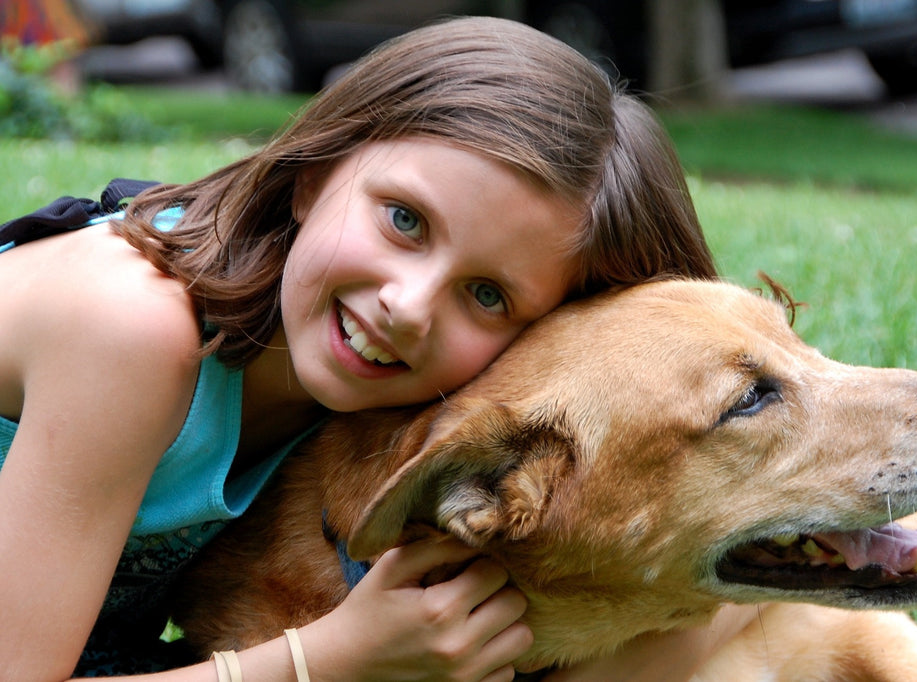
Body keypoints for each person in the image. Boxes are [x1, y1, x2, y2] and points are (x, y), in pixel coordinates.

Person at [0, 16, 720, 682]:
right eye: (405, 220)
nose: (406, 308)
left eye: (487, 295)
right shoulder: (132, 329)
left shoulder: (386, 398)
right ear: (317, 172)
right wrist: (329, 657)